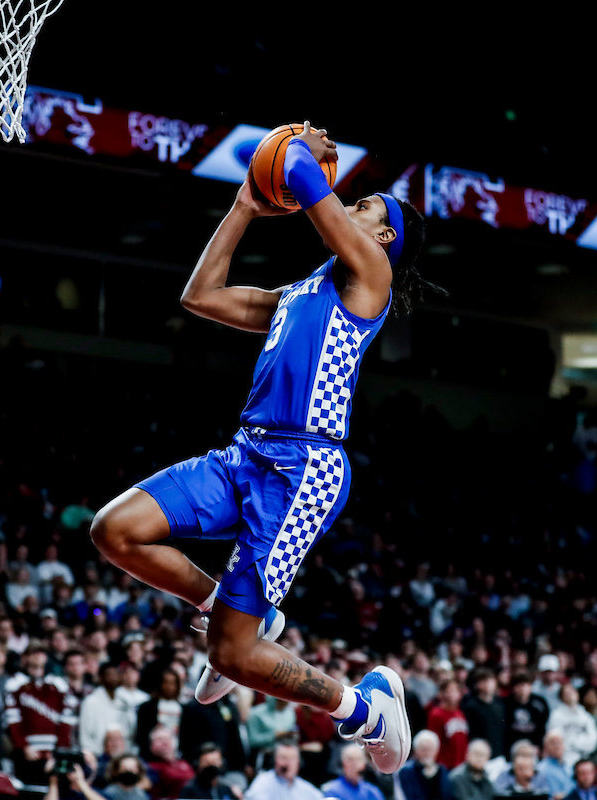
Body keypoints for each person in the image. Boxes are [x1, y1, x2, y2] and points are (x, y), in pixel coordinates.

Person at [90, 122, 428, 776]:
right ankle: (221, 604)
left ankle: (363, 709)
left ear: (383, 236)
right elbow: (201, 295)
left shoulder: (371, 273)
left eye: (363, 207)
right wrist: (245, 205)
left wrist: (313, 153)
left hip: (302, 469)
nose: (348, 206)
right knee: (116, 531)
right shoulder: (297, 295)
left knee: (234, 658)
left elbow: (300, 169)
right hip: (245, 454)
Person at [5, 644, 80, 786]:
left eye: (41, 653)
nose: (38, 657)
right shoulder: (15, 684)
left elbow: (67, 719)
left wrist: (59, 751)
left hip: (53, 753)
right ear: (27, 658)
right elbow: (13, 720)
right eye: (34, 653)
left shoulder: (59, 685)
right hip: (27, 754)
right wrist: (24, 746)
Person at [243, 743, 322, 800]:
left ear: (298, 763)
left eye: (291, 759)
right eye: (283, 758)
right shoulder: (263, 781)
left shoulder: (305, 787)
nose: (287, 763)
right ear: (274, 760)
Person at [545, 686, 597, 770]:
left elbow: (593, 739)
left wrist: (575, 743)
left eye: (572, 692)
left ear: (577, 695)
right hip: (564, 758)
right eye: (566, 694)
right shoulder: (556, 715)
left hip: (584, 756)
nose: (570, 695)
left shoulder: (585, 716)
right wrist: (573, 743)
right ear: (562, 697)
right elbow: (555, 740)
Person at [462, 670, 506, 760]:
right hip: (479, 755)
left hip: (498, 755)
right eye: (484, 681)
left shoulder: (500, 705)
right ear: (477, 685)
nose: (488, 684)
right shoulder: (471, 707)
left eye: (490, 681)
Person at [395, 730, 452, 800]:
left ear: (436, 751)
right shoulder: (406, 771)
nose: (427, 753)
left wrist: (434, 775)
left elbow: (447, 795)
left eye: (430, 749)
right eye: (423, 749)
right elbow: (413, 796)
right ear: (416, 751)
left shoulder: (442, 770)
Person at [428, 679, 470, 771]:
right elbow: (435, 742)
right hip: (445, 766)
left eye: (456, 690)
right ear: (442, 694)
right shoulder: (436, 714)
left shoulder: (460, 713)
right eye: (451, 690)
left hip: (461, 764)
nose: (454, 694)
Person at [146, 727, 194, 800]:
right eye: (160, 739)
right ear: (152, 746)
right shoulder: (151, 767)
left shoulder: (183, 763)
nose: (165, 742)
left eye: (168, 738)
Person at [504, 673, 549, 751]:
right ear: (514, 687)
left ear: (530, 687)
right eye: (519, 685)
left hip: (534, 747)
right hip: (512, 746)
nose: (522, 688)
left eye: (525, 685)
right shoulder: (506, 703)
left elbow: (543, 727)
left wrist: (540, 746)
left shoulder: (539, 703)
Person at [532, 733, 574, 800]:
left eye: (559, 742)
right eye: (553, 743)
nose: (557, 746)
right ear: (545, 747)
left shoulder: (569, 768)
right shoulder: (540, 769)